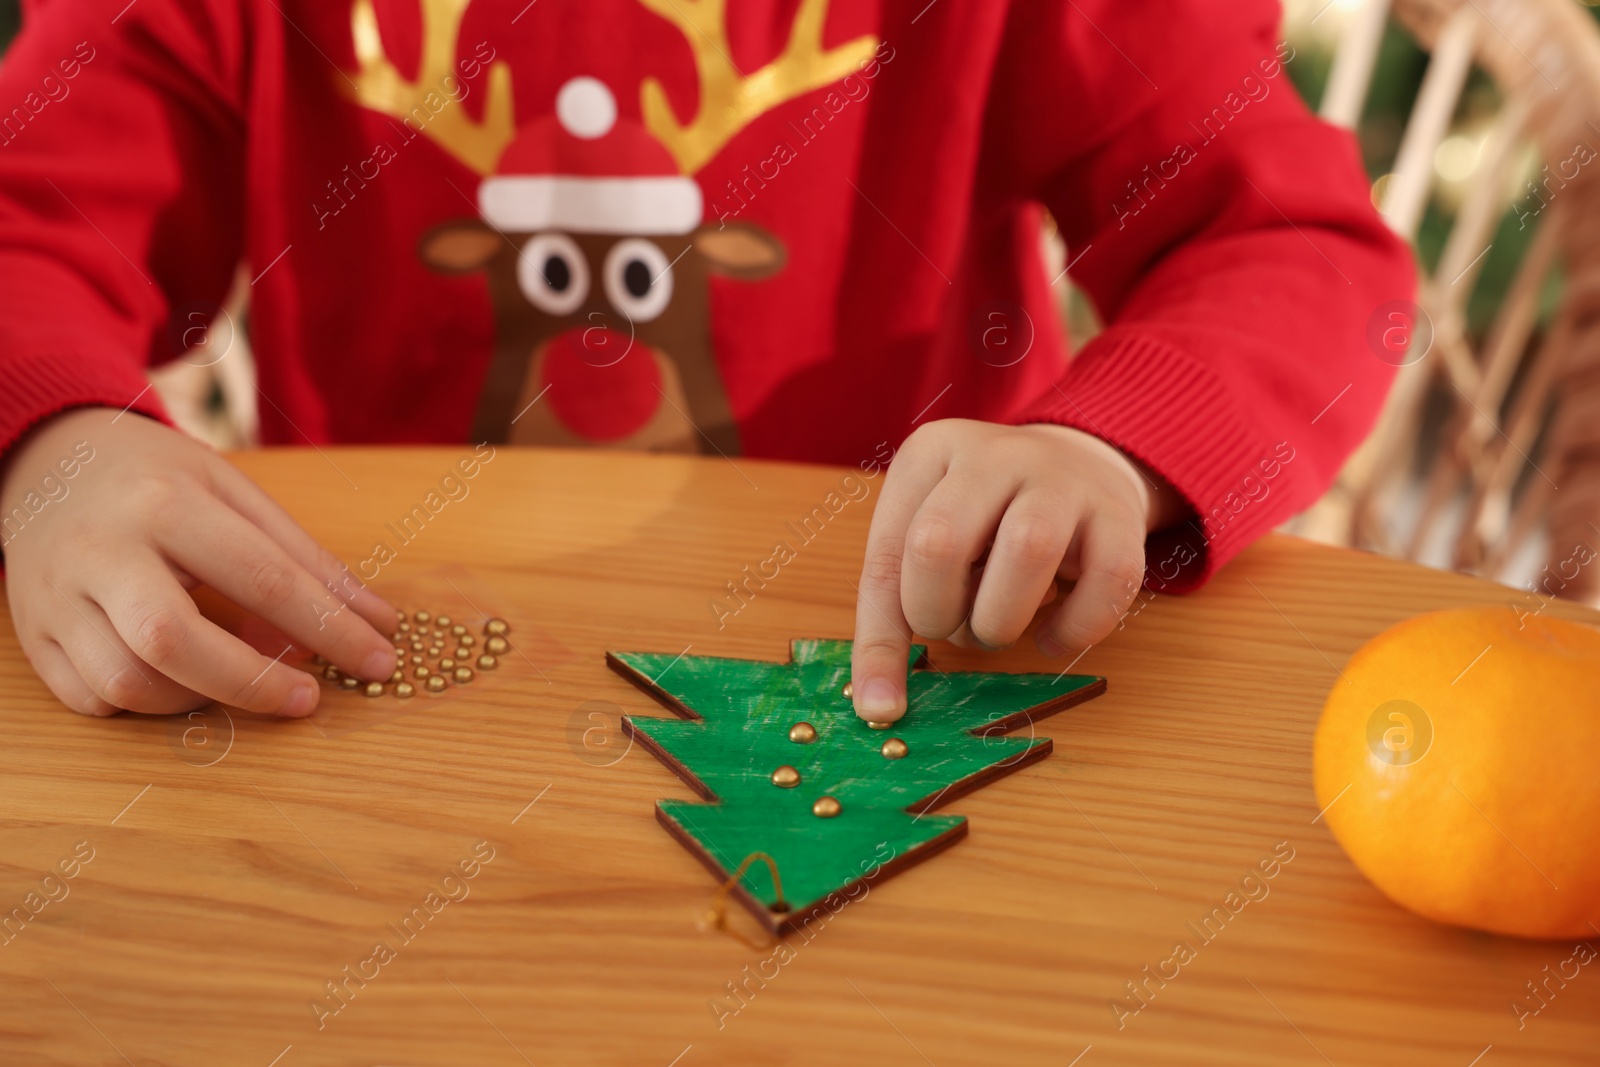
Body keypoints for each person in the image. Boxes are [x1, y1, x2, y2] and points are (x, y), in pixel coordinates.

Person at [0, 0, 1412, 723]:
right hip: (384, 674)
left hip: (912, 664)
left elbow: (1295, 250)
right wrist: (50, 444)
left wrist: (1112, 451)